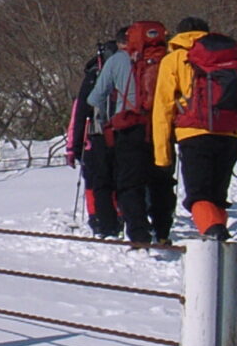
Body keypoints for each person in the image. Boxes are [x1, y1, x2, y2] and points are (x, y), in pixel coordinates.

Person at [149, 17, 237, 243]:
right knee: (217, 196)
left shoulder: (174, 59)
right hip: (230, 134)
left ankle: (215, 234)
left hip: (193, 134)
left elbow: (163, 108)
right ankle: (217, 239)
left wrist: (162, 155)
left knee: (198, 196)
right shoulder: (229, 58)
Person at [89, 19, 176, 248]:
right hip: (162, 126)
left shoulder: (117, 60)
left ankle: (139, 236)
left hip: (130, 128)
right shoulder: (168, 56)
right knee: (162, 182)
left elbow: (96, 97)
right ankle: (163, 232)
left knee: (130, 184)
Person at [66, 31, 124, 238]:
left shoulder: (94, 74)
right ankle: (119, 216)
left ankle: (98, 219)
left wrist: (73, 147)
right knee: (120, 179)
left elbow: (80, 111)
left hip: (96, 136)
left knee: (95, 181)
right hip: (127, 133)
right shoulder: (130, 70)